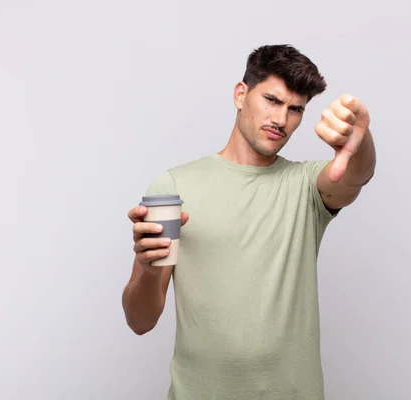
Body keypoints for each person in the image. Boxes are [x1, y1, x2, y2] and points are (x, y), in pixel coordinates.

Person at [122, 44, 376, 399]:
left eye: (295, 109)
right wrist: (149, 271)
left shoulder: (305, 185)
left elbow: (355, 177)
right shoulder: (174, 187)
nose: (281, 119)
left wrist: (360, 142)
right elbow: (140, 321)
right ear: (241, 94)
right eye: (272, 100)